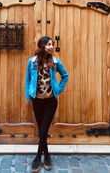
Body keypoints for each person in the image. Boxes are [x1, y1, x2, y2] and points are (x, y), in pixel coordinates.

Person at [25, 36, 69, 172]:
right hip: (37, 101)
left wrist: (59, 89)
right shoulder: (31, 62)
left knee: (43, 130)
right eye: (49, 44)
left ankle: (38, 157)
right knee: (42, 131)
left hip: (51, 101)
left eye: (52, 44)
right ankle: (47, 155)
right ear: (42, 45)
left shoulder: (55, 62)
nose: (52, 46)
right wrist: (29, 94)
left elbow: (65, 76)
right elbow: (27, 79)